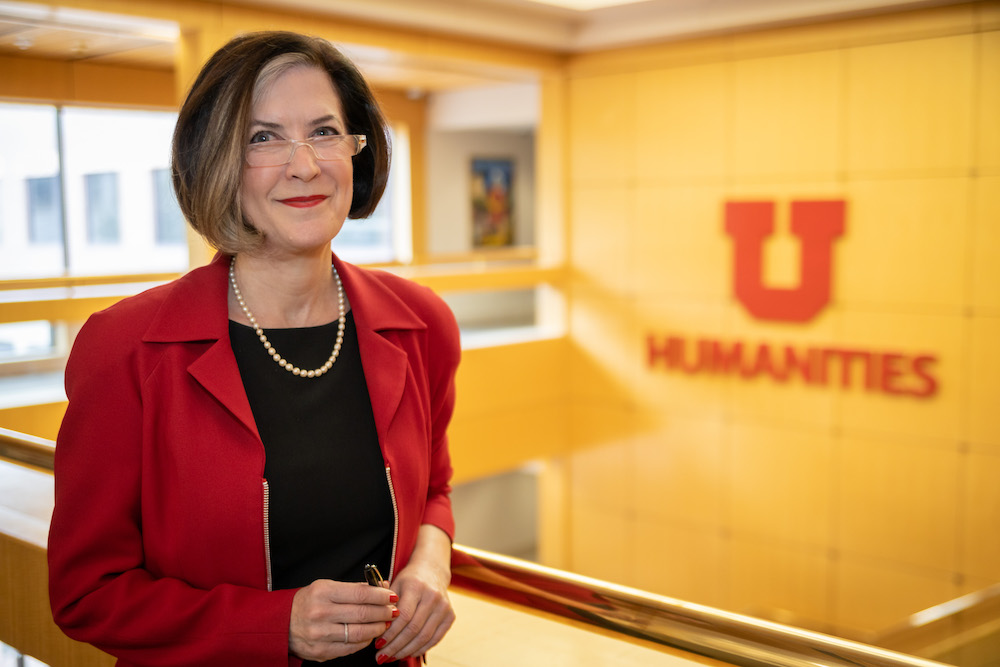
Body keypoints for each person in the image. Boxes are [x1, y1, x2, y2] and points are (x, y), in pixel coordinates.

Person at [48, 31, 459, 667]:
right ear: (216, 162)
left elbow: (435, 486)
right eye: (262, 138)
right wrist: (274, 625)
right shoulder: (127, 350)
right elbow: (87, 594)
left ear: (359, 148)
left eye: (324, 132)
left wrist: (432, 561)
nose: (304, 165)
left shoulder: (420, 324)